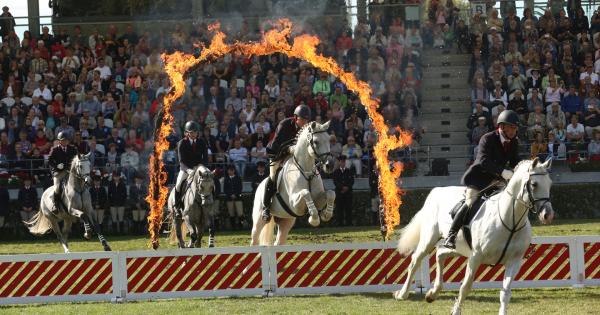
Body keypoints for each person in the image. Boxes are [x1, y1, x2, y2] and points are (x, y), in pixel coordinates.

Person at [443, 110, 522, 249]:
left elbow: (515, 161)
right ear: (502, 127)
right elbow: (483, 161)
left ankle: (515, 236)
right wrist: (503, 171)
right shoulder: (487, 138)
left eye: (516, 128)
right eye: (512, 127)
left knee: (513, 201)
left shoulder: (514, 141)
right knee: (469, 202)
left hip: (497, 181)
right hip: (478, 179)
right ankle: (451, 235)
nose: (514, 131)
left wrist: (524, 168)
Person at [261, 104, 311, 222]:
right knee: (273, 177)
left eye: (307, 120)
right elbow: (277, 144)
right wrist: (289, 149)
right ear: (295, 118)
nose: (305, 122)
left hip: (295, 157)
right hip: (277, 154)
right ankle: (266, 207)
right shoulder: (284, 125)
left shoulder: (307, 128)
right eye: (302, 119)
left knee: (313, 172)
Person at [174, 121, 208, 212]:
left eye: (195, 132)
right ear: (186, 133)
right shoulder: (182, 143)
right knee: (178, 185)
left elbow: (205, 158)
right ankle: (177, 207)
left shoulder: (202, 142)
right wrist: (189, 170)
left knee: (210, 179)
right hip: (186, 169)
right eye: (191, 132)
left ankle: (211, 203)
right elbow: (181, 162)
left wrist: (202, 165)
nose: (194, 134)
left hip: (199, 168)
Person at [48, 131, 78, 213]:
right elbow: (49, 162)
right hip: (59, 173)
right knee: (57, 188)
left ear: (68, 141)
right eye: (63, 140)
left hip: (70, 172)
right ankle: (55, 204)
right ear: (59, 141)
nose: (65, 142)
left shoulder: (73, 149)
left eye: (66, 140)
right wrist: (55, 169)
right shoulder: (54, 150)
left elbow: (76, 160)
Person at [333, 155, 355, 226]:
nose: (343, 163)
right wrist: (342, 187)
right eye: (341, 162)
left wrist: (347, 187)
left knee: (348, 208)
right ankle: (340, 223)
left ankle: (349, 223)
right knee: (339, 209)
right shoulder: (336, 172)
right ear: (339, 162)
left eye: (344, 162)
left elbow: (351, 181)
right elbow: (335, 182)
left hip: (348, 193)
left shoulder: (349, 171)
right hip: (339, 193)